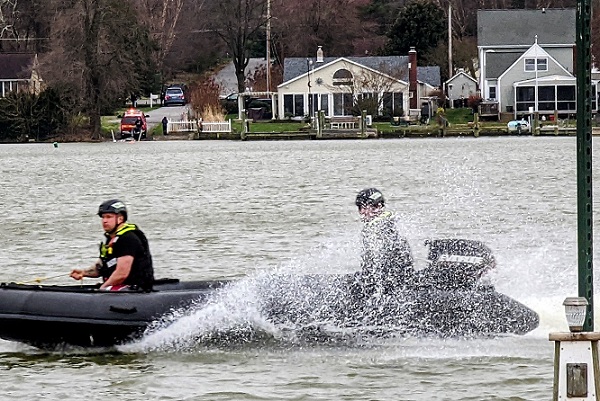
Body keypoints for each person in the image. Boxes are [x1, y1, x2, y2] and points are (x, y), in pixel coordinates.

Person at [70, 199, 154, 291]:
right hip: (120, 287)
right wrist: (83, 273)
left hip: (135, 288)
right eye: (103, 217)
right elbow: (102, 267)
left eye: (109, 217)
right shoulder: (111, 239)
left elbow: (121, 274)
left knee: (104, 289)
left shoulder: (128, 239)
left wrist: (103, 288)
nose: (104, 221)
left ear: (120, 219)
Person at [354, 188, 414, 296]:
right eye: (359, 208)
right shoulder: (389, 221)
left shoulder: (377, 227)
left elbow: (377, 264)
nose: (361, 212)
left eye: (363, 207)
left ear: (378, 207)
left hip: (391, 285)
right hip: (398, 280)